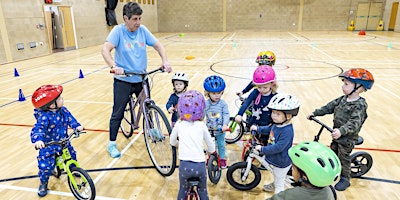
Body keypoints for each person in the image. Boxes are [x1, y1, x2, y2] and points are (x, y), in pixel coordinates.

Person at [101, 2, 172, 158]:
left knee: (147, 105)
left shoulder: (143, 30)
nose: (138, 22)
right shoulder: (118, 31)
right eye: (135, 19)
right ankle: (111, 144)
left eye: (140, 18)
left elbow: (158, 45)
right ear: (125, 18)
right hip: (123, 79)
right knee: (117, 113)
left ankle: (152, 129)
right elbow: (105, 49)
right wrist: (113, 65)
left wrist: (164, 61)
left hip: (141, 78)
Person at [307, 68, 374, 191]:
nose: (343, 86)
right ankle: (332, 171)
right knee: (333, 152)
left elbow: (354, 123)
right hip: (337, 135)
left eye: (346, 84)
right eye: (343, 83)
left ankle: (345, 178)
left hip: (347, 138)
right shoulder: (343, 99)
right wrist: (315, 113)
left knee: (343, 157)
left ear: (359, 88)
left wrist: (341, 131)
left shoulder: (360, 105)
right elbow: (329, 107)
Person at [30, 85, 84, 197]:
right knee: (45, 166)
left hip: (63, 142)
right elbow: (38, 128)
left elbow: (70, 119)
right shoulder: (44, 117)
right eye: (59, 99)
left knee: (72, 155)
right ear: (51, 104)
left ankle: (73, 169)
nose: (62, 99)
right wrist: (38, 140)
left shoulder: (63, 110)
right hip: (49, 145)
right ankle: (43, 182)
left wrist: (77, 126)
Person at [170, 90, 215, 200]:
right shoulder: (202, 126)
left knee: (183, 189)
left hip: (185, 166)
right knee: (203, 190)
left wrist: (177, 144)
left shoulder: (179, 124)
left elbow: (172, 141)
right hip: (199, 166)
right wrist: (210, 151)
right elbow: (211, 145)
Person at [252, 93, 300, 194]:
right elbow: (269, 129)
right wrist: (258, 128)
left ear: (288, 116)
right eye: (273, 112)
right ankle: (275, 183)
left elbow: (278, 147)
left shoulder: (287, 131)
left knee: (279, 183)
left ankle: (278, 194)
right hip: (274, 158)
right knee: (277, 176)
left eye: (277, 114)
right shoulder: (277, 124)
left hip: (281, 162)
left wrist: (262, 149)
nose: (273, 115)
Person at [267, 141, 341, 200]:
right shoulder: (329, 191)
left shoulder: (290, 195)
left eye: (293, 168)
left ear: (304, 177)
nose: (291, 170)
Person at [235, 65, 278, 145]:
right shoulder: (255, 92)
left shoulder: (274, 96)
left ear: (272, 84)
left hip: (267, 126)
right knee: (253, 143)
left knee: (264, 144)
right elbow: (246, 103)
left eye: (265, 87)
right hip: (254, 123)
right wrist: (240, 114)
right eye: (259, 87)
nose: (261, 90)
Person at [203, 75, 230, 168]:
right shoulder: (206, 104)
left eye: (219, 93)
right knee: (210, 146)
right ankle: (210, 158)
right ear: (208, 93)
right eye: (214, 93)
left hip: (220, 130)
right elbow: (202, 115)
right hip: (209, 130)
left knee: (221, 145)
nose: (217, 95)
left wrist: (225, 125)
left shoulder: (223, 104)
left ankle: (222, 159)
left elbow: (226, 114)